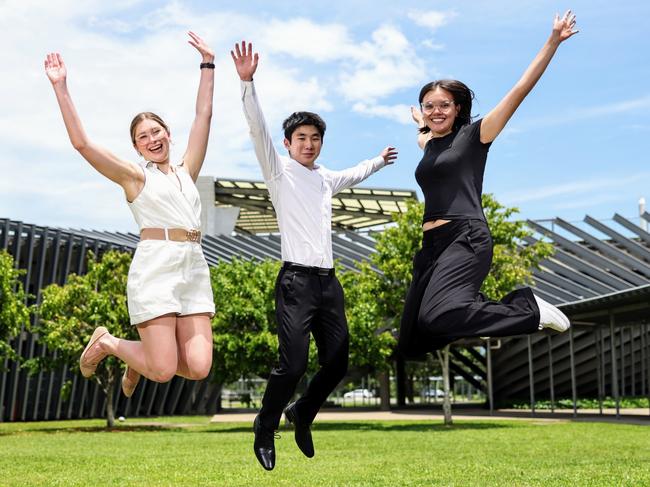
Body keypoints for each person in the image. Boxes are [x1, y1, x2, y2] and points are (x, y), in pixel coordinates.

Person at [231, 40, 397, 470]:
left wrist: (378, 160)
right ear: (288, 143)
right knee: (293, 364)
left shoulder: (325, 178)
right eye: (301, 138)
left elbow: (354, 172)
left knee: (338, 362)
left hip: (328, 282)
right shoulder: (278, 171)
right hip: (296, 282)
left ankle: (302, 412)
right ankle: (265, 425)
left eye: (315, 138)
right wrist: (248, 84)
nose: (308, 144)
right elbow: (255, 128)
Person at [44, 31, 216, 398]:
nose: (153, 139)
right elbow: (82, 144)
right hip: (155, 268)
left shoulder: (188, 172)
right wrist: (61, 87)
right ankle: (107, 343)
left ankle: (138, 360)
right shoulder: (136, 177)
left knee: (198, 368)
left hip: (193, 267)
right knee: (163, 369)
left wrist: (207, 64)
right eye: (143, 137)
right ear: (136, 147)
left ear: (168, 133)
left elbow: (204, 114)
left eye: (157, 131)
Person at [399, 11, 578, 359]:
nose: (436, 111)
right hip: (431, 245)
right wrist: (421, 123)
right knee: (418, 330)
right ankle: (488, 308)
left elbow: (520, 89)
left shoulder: (475, 135)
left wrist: (552, 41)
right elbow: (424, 137)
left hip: (465, 236)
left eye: (444, 106)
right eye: (429, 106)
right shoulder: (428, 144)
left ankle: (528, 308)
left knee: (438, 314)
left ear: (458, 107)